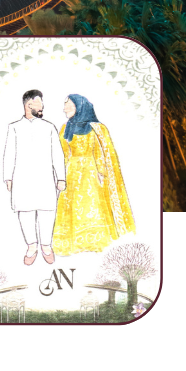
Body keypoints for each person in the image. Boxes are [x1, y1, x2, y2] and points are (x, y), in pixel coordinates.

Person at [51, 93, 135, 256]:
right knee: (70, 205)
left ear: (79, 106)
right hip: (71, 171)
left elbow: (101, 153)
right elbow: (62, 153)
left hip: (91, 173)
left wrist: (102, 173)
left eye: (68, 105)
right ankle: (71, 243)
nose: (64, 108)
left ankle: (94, 241)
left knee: (92, 204)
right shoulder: (65, 128)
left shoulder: (97, 128)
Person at [2, 89, 66, 266]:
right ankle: (31, 246)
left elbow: (57, 154)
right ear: (29, 104)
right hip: (22, 178)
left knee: (47, 212)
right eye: (39, 102)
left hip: (45, 178)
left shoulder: (49, 127)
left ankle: (46, 246)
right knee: (25, 212)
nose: (42, 106)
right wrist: (8, 177)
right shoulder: (14, 127)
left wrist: (61, 178)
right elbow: (9, 153)